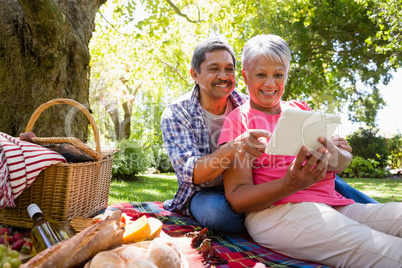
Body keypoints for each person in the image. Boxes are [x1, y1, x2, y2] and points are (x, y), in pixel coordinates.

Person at [218, 34, 402, 267]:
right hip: (279, 212)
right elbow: (237, 198)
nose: (270, 83)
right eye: (261, 74)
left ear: (286, 74)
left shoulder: (300, 109)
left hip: (335, 204)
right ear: (245, 76)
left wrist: (338, 153)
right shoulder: (238, 122)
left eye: (278, 74)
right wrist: (289, 184)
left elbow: (341, 163)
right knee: (389, 251)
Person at [160, 37, 376, 233]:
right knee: (220, 216)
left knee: (332, 180)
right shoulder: (177, 112)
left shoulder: (251, 99)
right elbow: (192, 174)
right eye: (214, 68)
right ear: (195, 74)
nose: (224, 76)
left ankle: (375, 214)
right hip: (207, 190)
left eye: (229, 69)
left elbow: (284, 127)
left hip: (256, 181)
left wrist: (326, 143)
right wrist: (233, 147)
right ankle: (268, 224)